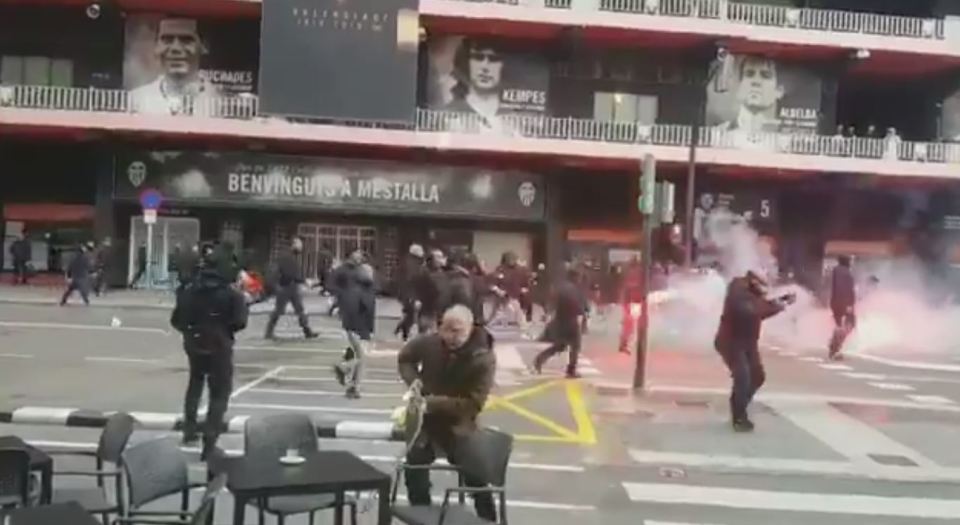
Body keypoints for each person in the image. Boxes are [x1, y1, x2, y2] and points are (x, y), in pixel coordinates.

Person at [397, 305, 497, 521]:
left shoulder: (483, 357)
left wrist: (431, 402)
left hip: (460, 424)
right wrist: (415, 382)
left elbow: (473, 404)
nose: (451, 336)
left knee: (475, 476)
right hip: (428, 422)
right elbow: (405, 357)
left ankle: (489, 519)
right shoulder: (430, 343)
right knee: (414, 464)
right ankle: (422, 514)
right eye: (447, 329)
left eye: (458, 330)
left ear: (470, 328)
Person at [170, 244, 248, 457]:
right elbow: (240, 321)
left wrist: (191, 331)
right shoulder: (231, 294)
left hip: (194, 343)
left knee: (195, 383)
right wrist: (223, 329)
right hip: (220, 344)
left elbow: (177, 319)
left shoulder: (190, 290)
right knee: (219, 392)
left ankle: (189, 428)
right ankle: (210, 442)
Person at [714, 270, 794, 432]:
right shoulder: (738, 291)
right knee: (743, 376)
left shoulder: (751, 294)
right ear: (753, 282)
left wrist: (781, 302)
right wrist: (776, 306)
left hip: (748, 342)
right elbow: (751, 310)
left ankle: (739, 404)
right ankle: (738, 416)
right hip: (731, 342)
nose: (763, 292)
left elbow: (760, 309)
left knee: (757, 376)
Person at [130, 18, 221, 115]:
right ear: (156, 46)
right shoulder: (136, 101)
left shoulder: (220, 103)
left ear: (204, 46)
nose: (175, 48)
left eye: (186, 40)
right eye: (167, 40)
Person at [333, 251, 376, 399]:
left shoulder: (356, 289)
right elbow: (368, 311)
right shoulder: (364, 290)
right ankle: (345, 370)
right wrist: (368, 331)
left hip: (353, 325)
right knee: (362, 357)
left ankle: (353, 387)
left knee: (360, 356)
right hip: (358, 327)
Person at [445, 37, 507, 130]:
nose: (485, 67)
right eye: (477, 57)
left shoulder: (516, 118)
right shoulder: (446, 114)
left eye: (494, 59)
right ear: (465, 62)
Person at [534, 268, 586, 378]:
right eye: (579, 277)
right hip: (571, 320)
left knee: (560, 345)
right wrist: (583, 315)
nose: (580, 279)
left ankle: (540, 359)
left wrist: (547, 314)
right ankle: (571, 370)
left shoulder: (561, 288)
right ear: (575, 277)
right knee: (575, 346)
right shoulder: (575, 290)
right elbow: (579, 306)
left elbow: (552, 302)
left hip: (560, 320)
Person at [264, 237, 318, 340]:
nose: (301, 247)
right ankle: (268, 332)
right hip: (285, 287)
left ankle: (307, 331)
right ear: (293, 244)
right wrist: (304, 281)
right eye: (299, 244)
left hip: (291, 287)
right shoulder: (287, 256)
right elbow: (290, 273)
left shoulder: (291, 256)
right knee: (279, 310)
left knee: (299, 309)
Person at [716, 56, 784, 136]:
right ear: (739, 85)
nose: (756, 81)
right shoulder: (717, 135)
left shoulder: (789, 140)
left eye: (766, 76)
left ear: (779, 90)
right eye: (749, 74)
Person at [414, 249, 448, 334]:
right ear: (432, 259)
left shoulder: (443, 273)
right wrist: (416, 299)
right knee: (425, 334)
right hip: (427, 309)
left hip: (439, 310)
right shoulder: (424, 272)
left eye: (441, 257)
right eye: (438, 257)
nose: (440, 260)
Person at [829, 255, 856, 361]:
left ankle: (834, 348)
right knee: (850, 324)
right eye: (851, 260)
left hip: (835, 302)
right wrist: (848, 304)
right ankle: (835, 347)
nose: (852, 262)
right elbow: (847, 289)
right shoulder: (846, 273)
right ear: (847, 261)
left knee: (839, 324)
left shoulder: (836, 271)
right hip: (843, 302)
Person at [395, 244, 425, 341]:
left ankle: (401, 331)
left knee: (409, 313)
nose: (422, 252)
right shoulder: (411, 264)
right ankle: (403, 332)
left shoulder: (410, 262)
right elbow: (411, 281)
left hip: (406, 293)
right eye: (420, 250)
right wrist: (413, 297)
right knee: (411, 313)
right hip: (410, 294)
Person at [618, 257, 645, 354]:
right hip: (631, 301)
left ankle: (624, 344)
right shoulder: (636, 273)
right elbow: (630, 286)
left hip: (632, 301)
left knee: (629, 324)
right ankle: (624, 344)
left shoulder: (631, 272)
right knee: (630, 324)